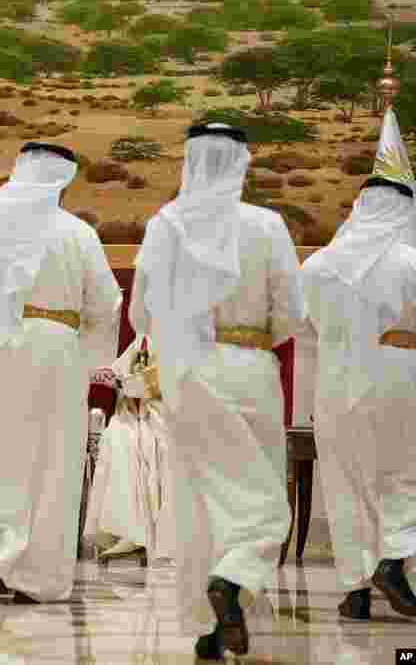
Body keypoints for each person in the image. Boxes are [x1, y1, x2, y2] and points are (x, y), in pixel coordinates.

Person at [130, 122, 304, 659]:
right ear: (241, 161)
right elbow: (291, 314)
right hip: (249, 367)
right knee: (265, 499)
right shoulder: (267, 225)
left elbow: (141, 311)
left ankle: (211, 627)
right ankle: (229, 583)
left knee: (201, 497)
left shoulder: (165, 224)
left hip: (187, 374)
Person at [0, 142, 122, 604]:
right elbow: (105, 303)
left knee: (0, 452)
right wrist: (87, 356)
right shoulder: (78, 233)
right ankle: (33, 574)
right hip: (56, 351)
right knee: (51, 460)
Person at [300, 106, 416, 620]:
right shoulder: (410, 261)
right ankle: (393, 559)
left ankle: (355, 591)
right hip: (397, 374)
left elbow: (305, 327)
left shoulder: (318, 264)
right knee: (402, 475)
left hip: (335, 380)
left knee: (346, 482)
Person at [85, 334, 175, 564]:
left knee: (145, 440)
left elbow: (162, 380)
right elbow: (123, 369)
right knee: (117, 434)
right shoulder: (143, 338)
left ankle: (140, 534)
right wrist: (110, 374)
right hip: (135, 414)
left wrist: (121, 382)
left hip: (168, 417)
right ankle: (124, 531)